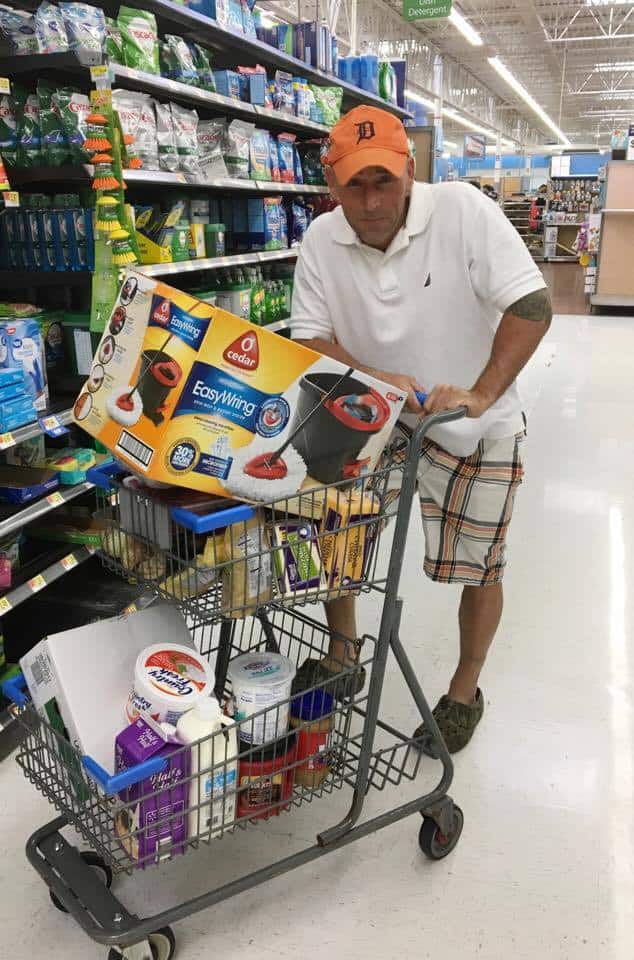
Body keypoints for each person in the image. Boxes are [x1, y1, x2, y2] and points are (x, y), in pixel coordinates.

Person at [289, 104, 552, 753]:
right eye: (354, 184)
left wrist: (483, 393)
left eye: (384, 181)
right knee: (337, 535)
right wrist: (379, 380)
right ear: (331, 182)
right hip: (373, 419)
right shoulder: (323, 239)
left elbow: (532, 304)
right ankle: (343, 651)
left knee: (478, 566)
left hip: (473, 427)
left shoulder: (464, 211)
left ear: (411, 169)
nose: (371, 200)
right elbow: (311, 338)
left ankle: (466, 688)